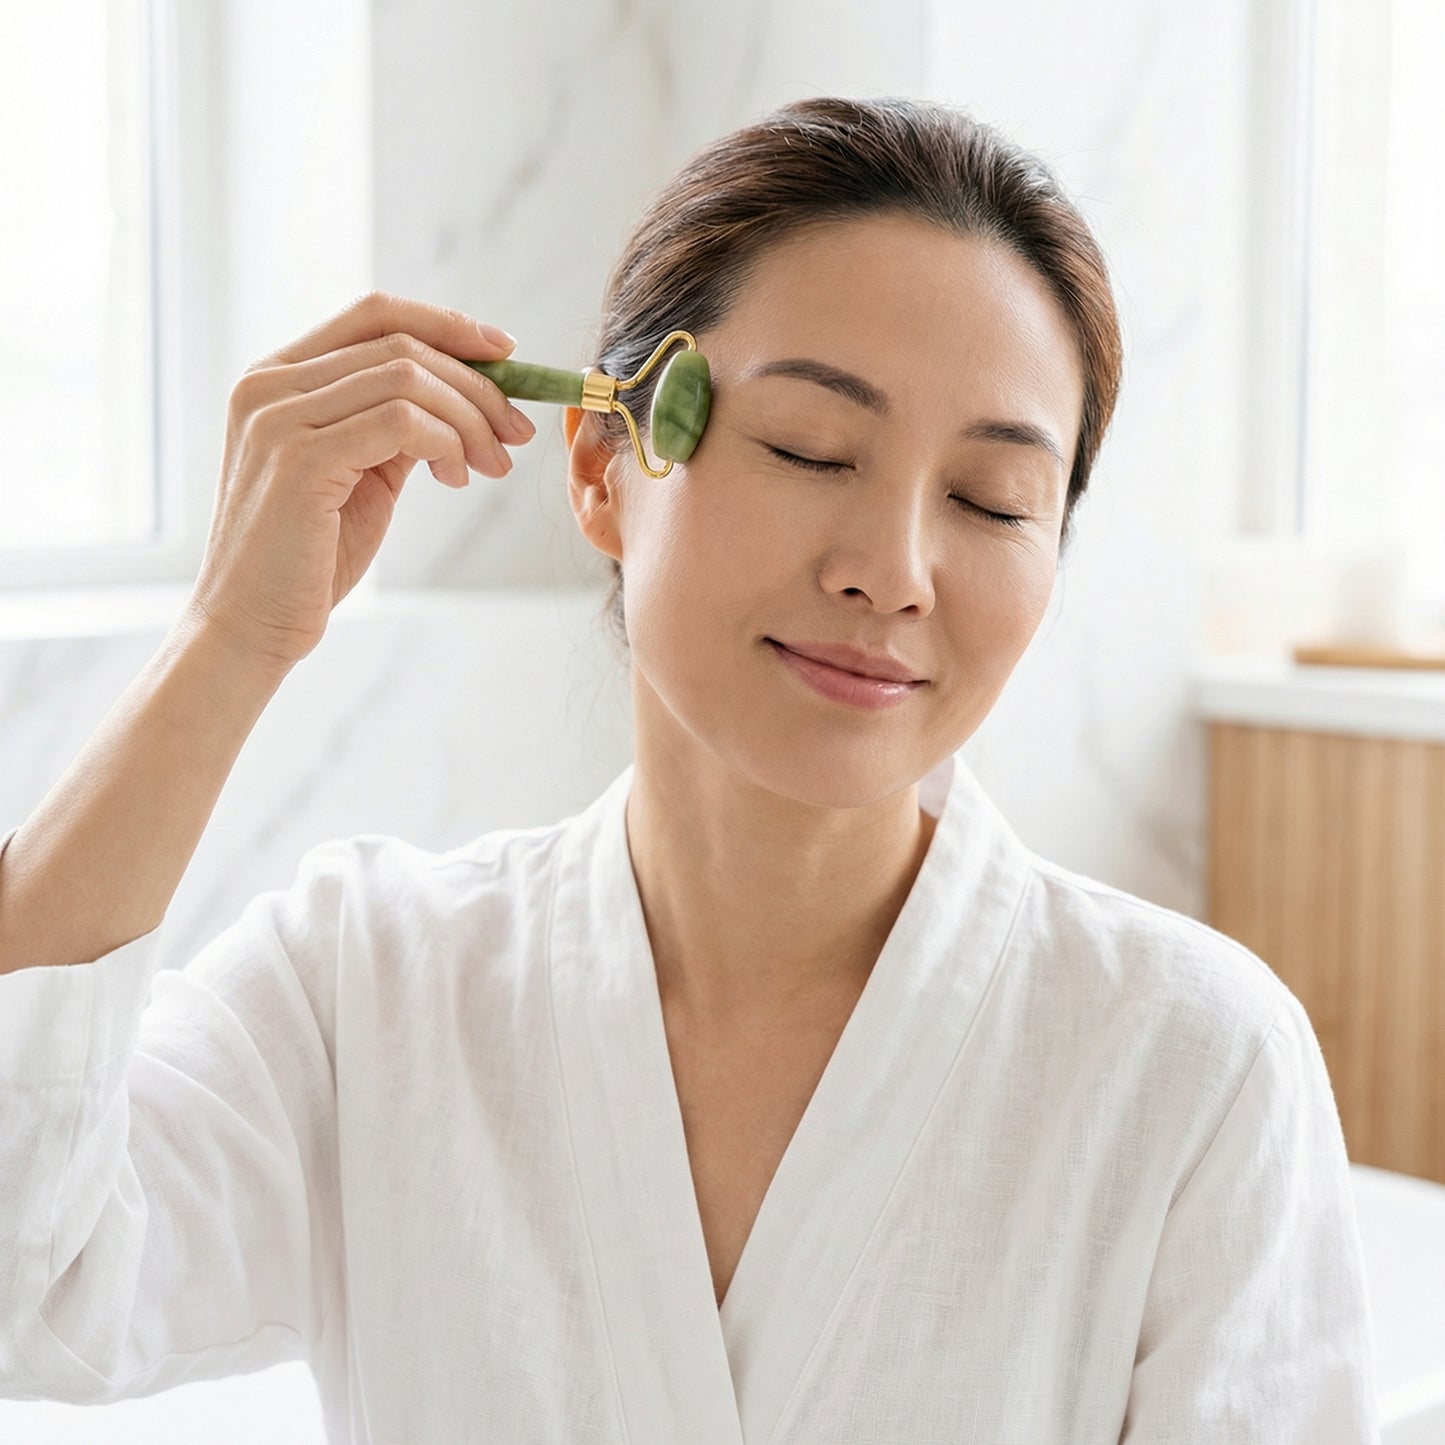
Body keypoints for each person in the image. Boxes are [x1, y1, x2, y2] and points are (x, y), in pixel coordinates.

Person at [0, 95, 1379, 1443]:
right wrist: (232, 635)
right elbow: (26, 1281)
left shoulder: (1190, 1061)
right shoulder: (366, 984)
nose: (892, 570)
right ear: (602, 468)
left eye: (989, 499)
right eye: (807, 447)